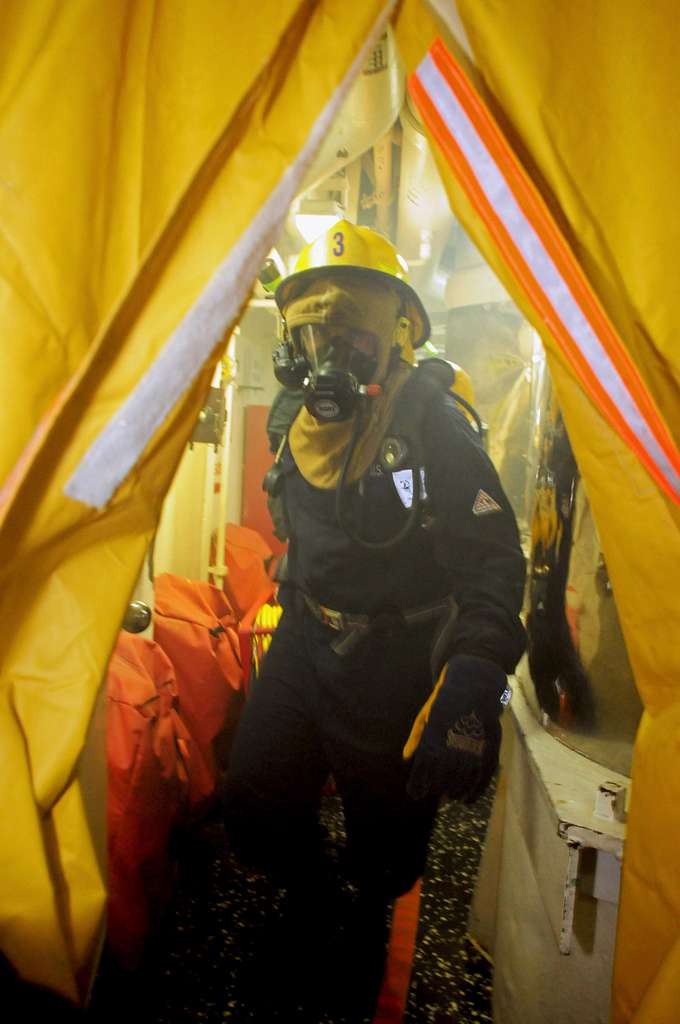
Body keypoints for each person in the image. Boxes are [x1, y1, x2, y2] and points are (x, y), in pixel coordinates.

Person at [222, 220, 526, 1020]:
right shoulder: (293, 414)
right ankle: (315, 895)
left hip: (393, 660)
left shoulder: (434, 426)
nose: (330, 353)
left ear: (395, 336)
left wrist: (476, 680)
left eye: (351, 331)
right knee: (254, 804)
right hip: (303, 637)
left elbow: (495, 568)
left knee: (386, 847)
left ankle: (360, 917)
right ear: (292, 339)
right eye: (314, 330)